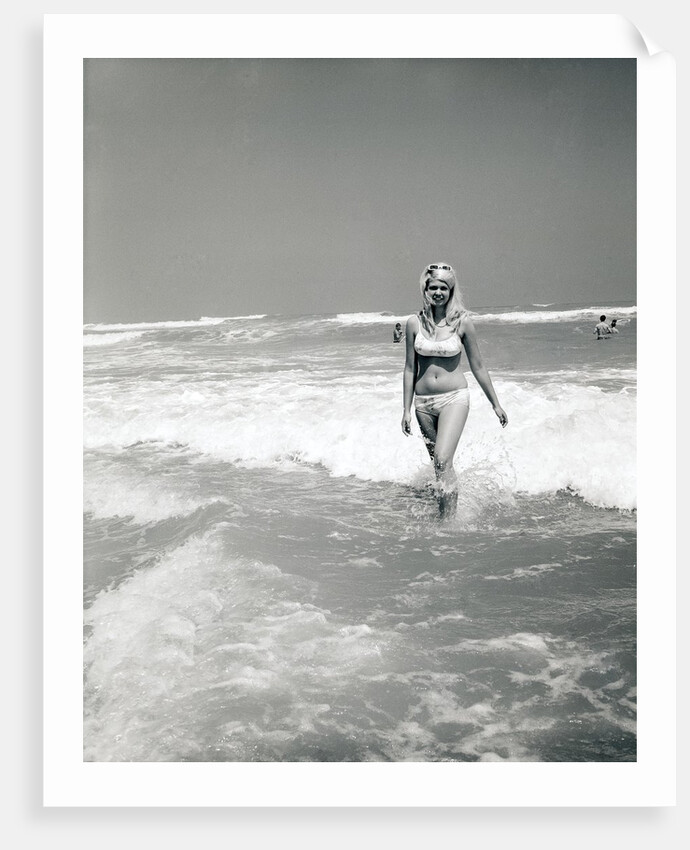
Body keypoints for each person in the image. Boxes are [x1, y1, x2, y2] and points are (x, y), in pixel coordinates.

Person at [401, 262, 508, 518]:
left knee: (441, 458)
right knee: (440, 465)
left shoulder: (463, 323)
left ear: (451, 291)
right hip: (423, 404)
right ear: (425, 290)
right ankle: (445, 516)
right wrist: (405, 409)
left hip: (454, 398)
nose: (438, 292)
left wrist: (496, 403)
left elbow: (478, 366)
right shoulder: (413, 323)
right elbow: (408, 369)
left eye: (443, 288)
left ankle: (448, 524)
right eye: (433, 287)